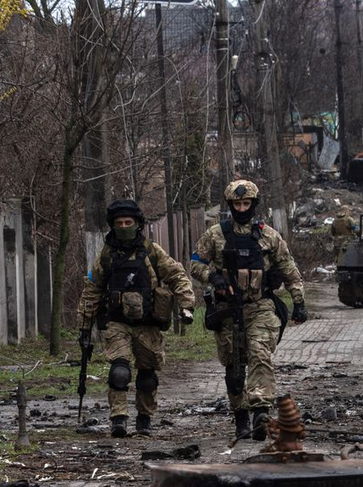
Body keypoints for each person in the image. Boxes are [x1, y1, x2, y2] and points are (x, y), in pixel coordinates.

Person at [190, 180, 307, 441]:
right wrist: (213, 278)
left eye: (246, 204)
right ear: (230, 205)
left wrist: (298, 301)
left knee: (259, 354)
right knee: (234, 369)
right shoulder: (215, 235)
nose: (242, 208)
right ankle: (241, 417)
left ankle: (260, 412)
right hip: (228, 310)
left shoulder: (269, 236)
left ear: (254, 205)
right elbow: (195, 263)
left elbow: (288, 268)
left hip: (260, 306)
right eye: (237, 204)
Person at [78, 199, 194, 438]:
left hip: (148, 323)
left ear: (137, 223)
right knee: (119, 371)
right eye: (119, 223)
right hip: (117, 322)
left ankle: (144, 419)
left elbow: (176, 275)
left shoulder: (151, 251)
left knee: (147, 377)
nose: (123, 226)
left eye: (128, 222)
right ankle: (118, 419)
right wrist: (84, 325)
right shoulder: (107, 255)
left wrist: (186, 305)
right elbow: (92, 290)